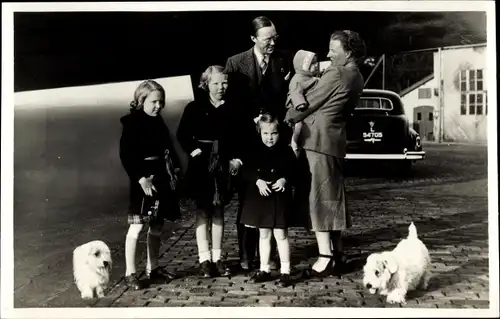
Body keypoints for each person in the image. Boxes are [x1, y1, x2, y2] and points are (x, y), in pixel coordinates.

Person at [287, 30, 366, 278]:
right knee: (331, 196)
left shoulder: (337, 72)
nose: (329, 54)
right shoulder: (357, 75)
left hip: (317, 140)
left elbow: (308, 102)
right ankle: (337, 252)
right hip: (333, 140)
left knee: (319, 199)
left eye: (334, 49)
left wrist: (283, 119)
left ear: (349, 52)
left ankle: (325, 257)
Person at [225, 15, 293, 271]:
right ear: (253, 39)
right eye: (267, 39)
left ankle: (271, 257)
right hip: (246, 139)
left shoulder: (283, 61)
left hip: (275, 138)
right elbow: (230, 103)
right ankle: (246, 256)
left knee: (274, 196)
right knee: (248, 198)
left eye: (275, 37)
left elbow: (288, 98)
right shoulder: (235, 62)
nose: (272, 43)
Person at [176, 65, 245, 278]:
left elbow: (242, 138)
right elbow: (182, 134)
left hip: (223, 164)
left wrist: (237, 160)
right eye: (215, 83)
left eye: (224, 82)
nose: (220, 87)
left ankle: (218, 257)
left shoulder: (234, 108)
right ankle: (204, 258)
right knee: (203, 211)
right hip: (201, 166)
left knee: (218, 211)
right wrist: (194, 150)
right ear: (206, 84)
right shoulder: (194, 107)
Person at [119, 80, 182, 290]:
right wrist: (140, 178)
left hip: (161, 178)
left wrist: (176, 169)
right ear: (141, 100)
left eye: (161, 102)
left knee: (156, 226)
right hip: (142, 181)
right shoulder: (132, 123)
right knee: (136, 227)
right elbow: (126, 155)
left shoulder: (159, 122)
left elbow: (168, 148)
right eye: (154, 102)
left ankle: (153, 268)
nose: (158, 106)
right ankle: (130, 273)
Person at [239, 113, 296, 287]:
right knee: (263, 234)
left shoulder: (285, 150)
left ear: (279, 133)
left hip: (279, 197)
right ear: (259, 133)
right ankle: (264, 268)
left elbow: (295, 169)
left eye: (273, 134)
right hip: (262, 197)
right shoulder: (253, 150)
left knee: (281, 234)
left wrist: (284, 179)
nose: (269, 138)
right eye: (265, 134)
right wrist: (257, 180)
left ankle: (285, 270)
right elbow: (246, 170)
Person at [284, 49, 320, 157]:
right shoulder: (297, 79)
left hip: (307, 109)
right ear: (303, 66)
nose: (316, 65)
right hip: (296, 108)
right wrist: (300, 103)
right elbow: (295, 92)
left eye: (315, 62)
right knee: (298, 125)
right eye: (312, 64)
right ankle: (294, 141)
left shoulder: (311, 78)